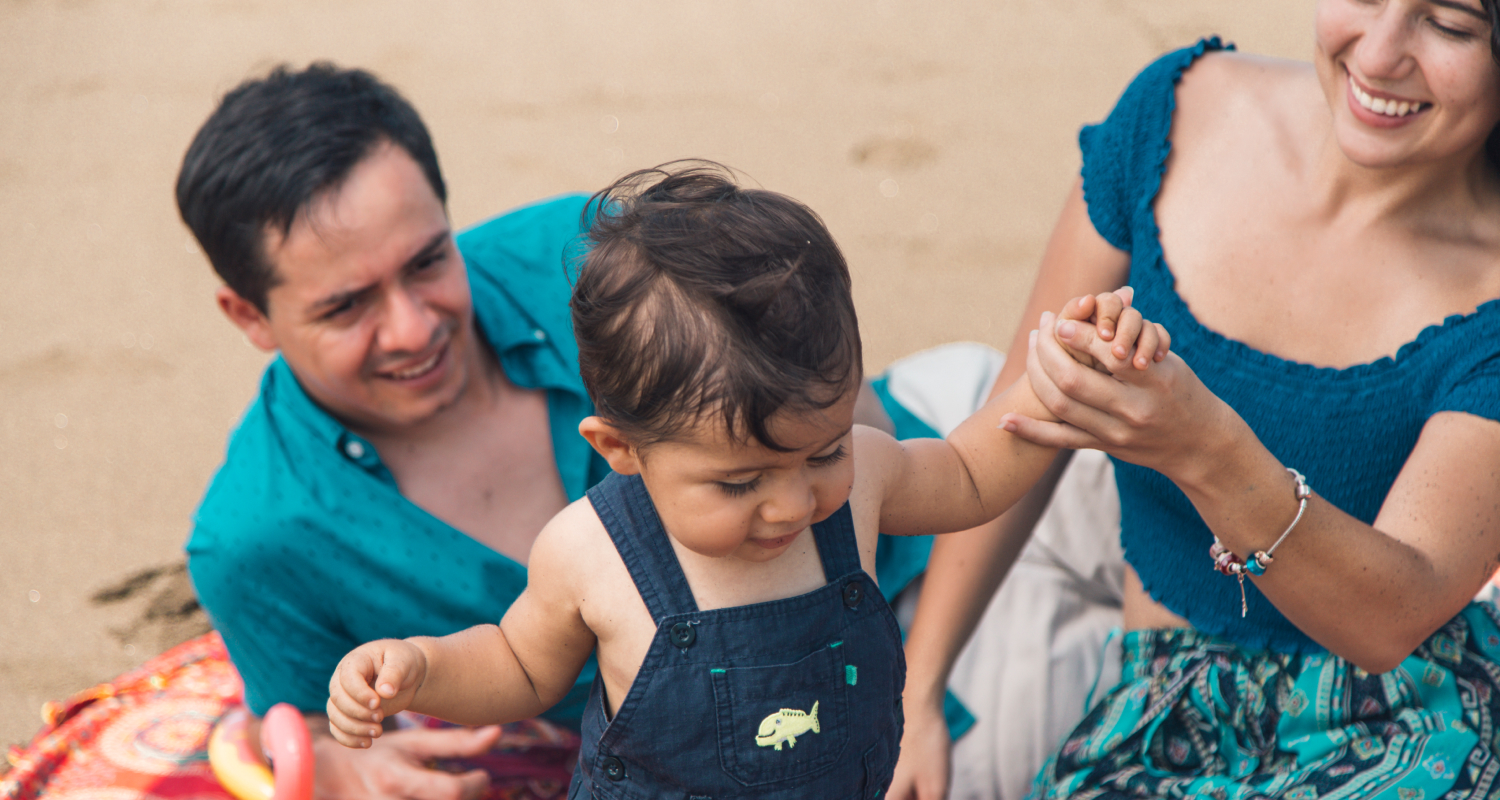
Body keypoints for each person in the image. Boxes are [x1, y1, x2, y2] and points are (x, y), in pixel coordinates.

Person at [323, 163, 1168, 798]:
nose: (795, 503)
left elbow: (974, 474)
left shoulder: (865, 478)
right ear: (620, 448)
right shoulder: (590, 552)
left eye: (824, 450)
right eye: (740, 483)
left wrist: (1055, 376)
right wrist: (422, 669)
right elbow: (518, 665)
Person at [892, 0, 1500, 796]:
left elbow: (1388, 620)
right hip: (1156, 703)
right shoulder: (1173, 117)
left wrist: (1206, 448)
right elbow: (1020, 420)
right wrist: (920, 688)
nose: (1380, 55)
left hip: (1410, 718)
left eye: (1449, 24)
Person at [176, 63, 610, 800]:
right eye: (346, 307)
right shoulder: (255, 538)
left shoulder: (599, 264)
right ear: (249, 315)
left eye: (429, 260)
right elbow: (302, 722)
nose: (414, 329)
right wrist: (332, 763)